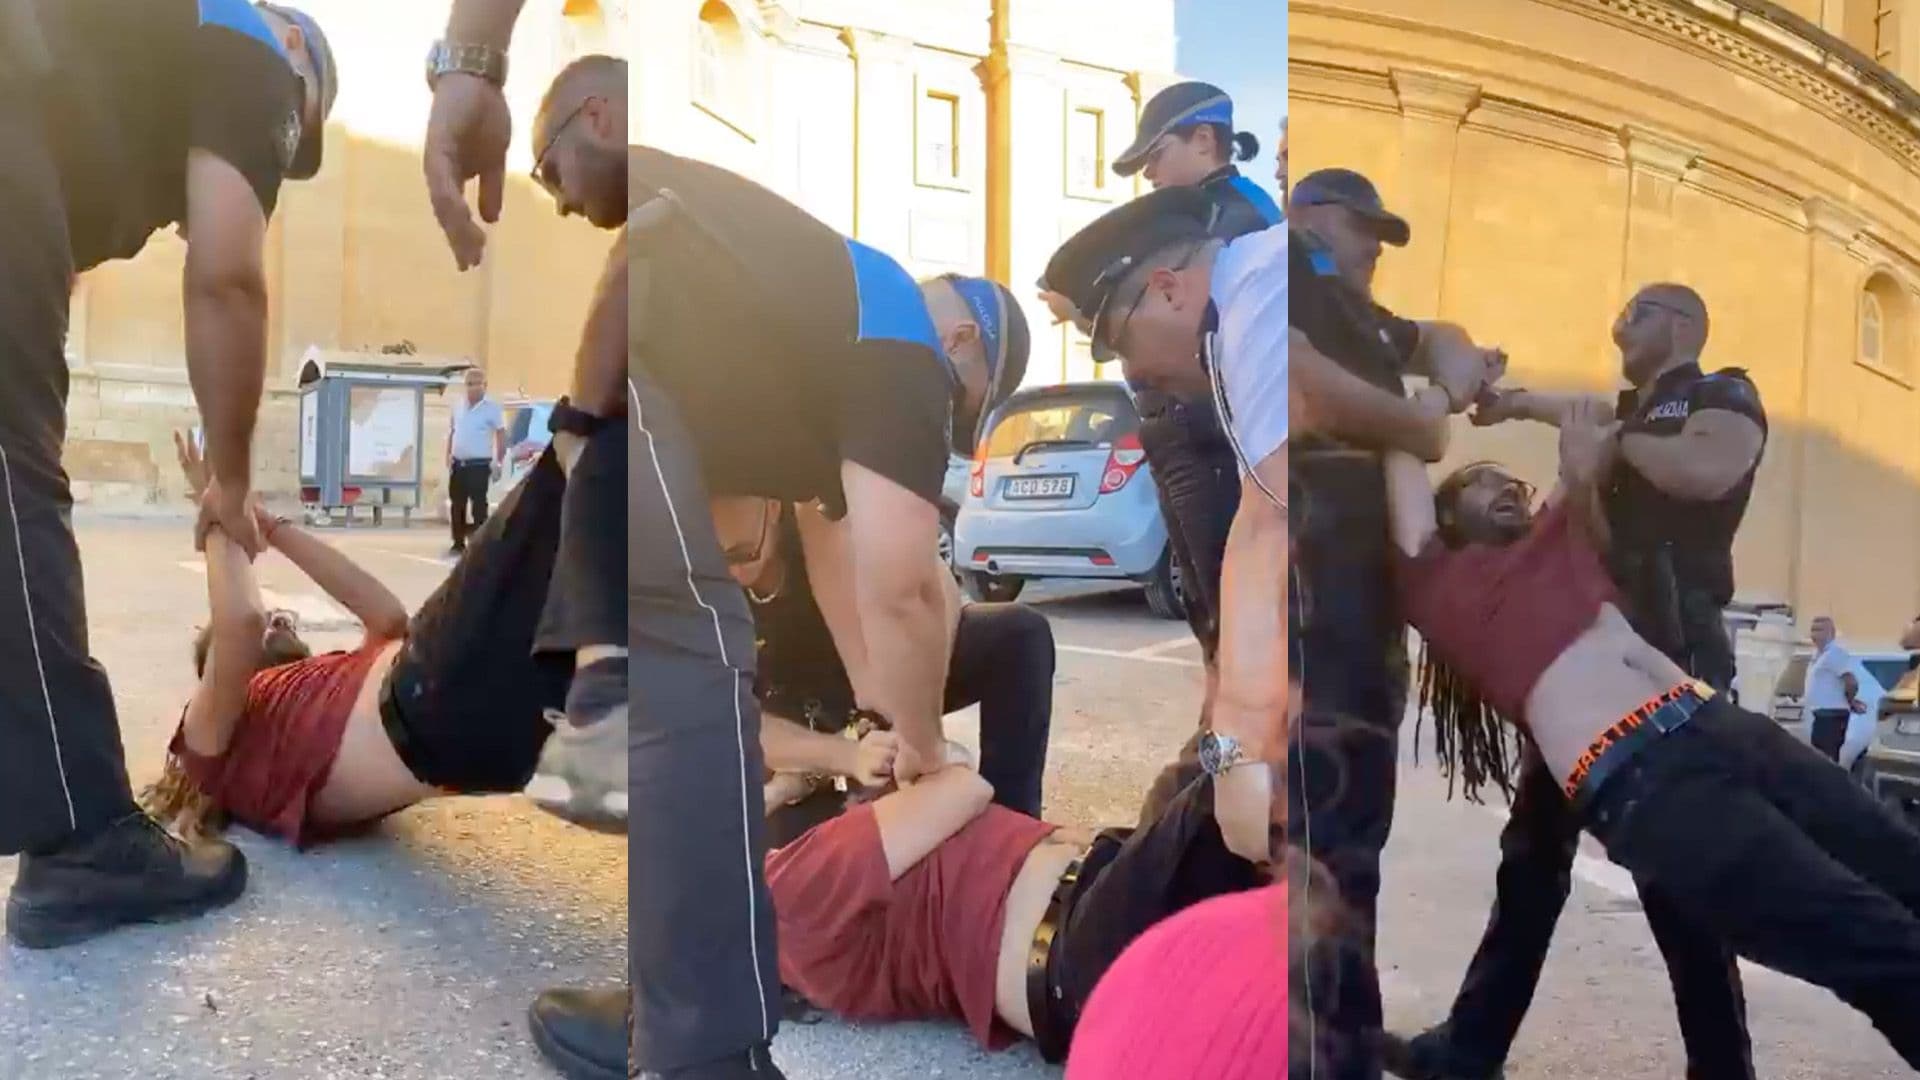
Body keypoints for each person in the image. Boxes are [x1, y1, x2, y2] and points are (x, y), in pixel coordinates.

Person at [1375, 397, 1920, 1070]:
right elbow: (1403, 433)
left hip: (1720, 725)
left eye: (1514, 481)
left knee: (1903, 862)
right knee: (1874, 938)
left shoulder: (1563, 536)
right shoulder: (1437, 582)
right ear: (1446, 514)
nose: (1508, 487)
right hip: (1645, 775)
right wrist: (1445, 387)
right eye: (1483, 481)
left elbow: (1592, 428)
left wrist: (1535, 417)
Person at [0, 0, 337, 951]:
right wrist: (230, 482)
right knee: (12, 476)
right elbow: (227, 277)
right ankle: (78, 840)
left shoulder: (126, 59)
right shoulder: (262, 46)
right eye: (286, 154)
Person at [1389, 283, 1768, 1080]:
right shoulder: (1626, 415)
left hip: (1669, 651)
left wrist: (1604, 447)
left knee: (1675, 871)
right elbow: (1580, 438)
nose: (1618, 322)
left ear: (1682, 325)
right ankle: (1470, 1048)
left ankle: (1723, 1067)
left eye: (1636, 312)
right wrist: (1510, 404)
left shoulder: (1722, 395)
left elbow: (1702, 471)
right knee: (1531, 856)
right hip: (1586, 654)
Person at [143, 413, 616, 850]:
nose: (274, 619)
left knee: (622, 553)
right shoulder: (212, 741)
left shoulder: (317, 684)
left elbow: (388, 619)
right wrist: (220, 509)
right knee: (587, 437)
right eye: (269, 626)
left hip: (479, 738)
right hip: (432, 702)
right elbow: (239, 623)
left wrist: (271, 525)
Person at [1283, 166, 1506, 1078]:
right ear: (1316, 217)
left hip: (1363, 615)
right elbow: (1299, 384)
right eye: (1366, 227)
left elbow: (1447, 339)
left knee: (1352, 844)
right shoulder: (1285, 269)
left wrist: (1447, 390)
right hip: (1311, 595)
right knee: (1317, 842)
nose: (1378, 246)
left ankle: (1345, 1040)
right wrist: (1414, 427)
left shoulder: (1369, 318)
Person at [764, 754, 1269, 1064]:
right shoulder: (788, 884)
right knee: (1240, 767)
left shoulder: (790, 929)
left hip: (1080, 962)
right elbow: (963, 787)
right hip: (1077, 940)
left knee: (1210, 776)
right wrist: (824, 767)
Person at [730, 499, 1054, 846]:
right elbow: (731, 715)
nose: (731, 572)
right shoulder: (695, 579)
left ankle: (1013, 832)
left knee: (1018, 633)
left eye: (743, 554)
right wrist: (848, 756)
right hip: (797, 722)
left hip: (881, 677)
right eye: (719, 561)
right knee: (820, 861)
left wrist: (917, 716)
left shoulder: (819, 514)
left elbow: (932, 583)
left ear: (773, 507)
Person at [446, 367, 507, 556]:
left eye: (476, 384)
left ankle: (482, 544)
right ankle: (458, 543)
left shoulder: (492, 409)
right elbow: (452, 431)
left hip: (479, 465)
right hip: (459, 463)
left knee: (479, 505)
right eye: (469, 384)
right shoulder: (458, 406)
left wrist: (499, 461)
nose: (472, 388)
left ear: (484, 386)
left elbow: (501, 434)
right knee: (457, 504)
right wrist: (448, 455)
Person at [1806, 615, 1870, 764]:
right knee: (1818, 758)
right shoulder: (1818, 655)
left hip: (1832, 716)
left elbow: (1851, 681)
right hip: (1820, 716)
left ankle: (1829, 786)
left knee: (1827, 760)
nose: (1815, 634)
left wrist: (1850, 700)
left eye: (1820, 630)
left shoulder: (1835, 653)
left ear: (1831, 633)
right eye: (1813, 629)